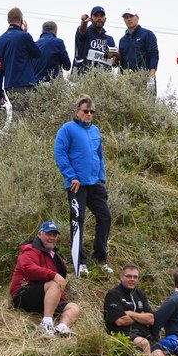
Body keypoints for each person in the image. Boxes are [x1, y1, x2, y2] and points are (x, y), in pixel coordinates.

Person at [54, 95, 113, 275]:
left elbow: (100, 156)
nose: (89, 114)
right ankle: (80, 262)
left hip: (95, 183)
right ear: (77, 112)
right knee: (77, 221)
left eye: (91, 112)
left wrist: (101, 178)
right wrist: (71, 176)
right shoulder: (67, 129)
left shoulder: (95, 131)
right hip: (76, 184)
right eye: (85, 111)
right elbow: (60, 152)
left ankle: (100, 258)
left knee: (105, 217)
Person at [10, 221, 81, 336]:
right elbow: (29, 268)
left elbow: (56, 285)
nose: (52, 238)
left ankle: (61, 328)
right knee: (55, 282)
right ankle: (46, 323)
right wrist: (54, 275)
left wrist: (59, 298)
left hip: (42, 299)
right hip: (22, 295)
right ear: (39, 234)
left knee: (73, 307)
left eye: (54, 235)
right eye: (49, 234)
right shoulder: (30, 250)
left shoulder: (54, 255)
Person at [103, 264, 167, 356]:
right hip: (122, 333)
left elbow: (151, 319)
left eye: (135, 277)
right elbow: (120, 320)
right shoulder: (113, 294)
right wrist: (141, 317)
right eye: (128, 276)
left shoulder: (140, 294)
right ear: (121, 277)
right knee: (144, 344)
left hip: (143, 333)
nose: (132, 279)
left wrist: (131, 314)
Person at [0, 7, 41, 113]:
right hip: (25, 84)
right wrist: (26, 33)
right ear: (21, 20)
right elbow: (38, 54)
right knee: (25, 119)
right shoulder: (24, 37)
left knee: (17, 115)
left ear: (8, 20)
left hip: (9, 86)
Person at [118, 9, 159, 93]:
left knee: (147, 105)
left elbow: (154, 56)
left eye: (131, 16)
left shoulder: (147, 34)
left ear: (137, 18)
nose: (129, 19)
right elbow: (121, 64)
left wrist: (151, 77)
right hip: (127, 82)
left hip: (145, 79)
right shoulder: (122, 41)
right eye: (126, 17)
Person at [72, 6, 116, 74]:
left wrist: (118, 55)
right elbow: (82, 30)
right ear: (91, 18)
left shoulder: (110, 39)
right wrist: (84, 22)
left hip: (103, 81)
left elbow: (114, 63)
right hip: (83, 78)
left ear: (105, 19)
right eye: (96, 15)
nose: (99, 18)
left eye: (102, 16)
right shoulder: (86, 33)